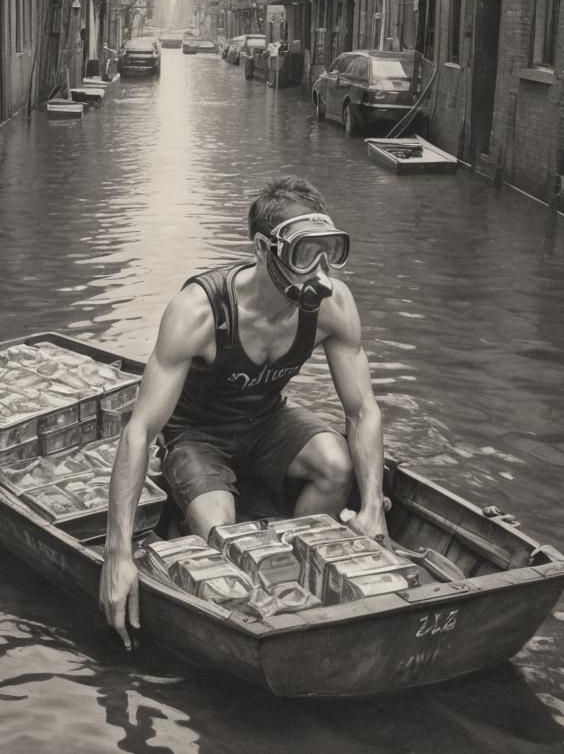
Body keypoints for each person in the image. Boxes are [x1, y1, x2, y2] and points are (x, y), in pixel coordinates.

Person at [98, 176, 388, 648]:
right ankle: (242, 591)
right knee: (224, 534)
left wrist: (374, 507)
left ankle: (297, 579)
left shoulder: (333, 305)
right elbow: (140, 430)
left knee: (338, 466)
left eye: (329, 252)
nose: (319, 270)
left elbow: (363, 410)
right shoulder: (199, 311)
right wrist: (117, 553)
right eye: (303, 254)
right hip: (197, 434)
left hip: (267, 421)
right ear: (263, 248)